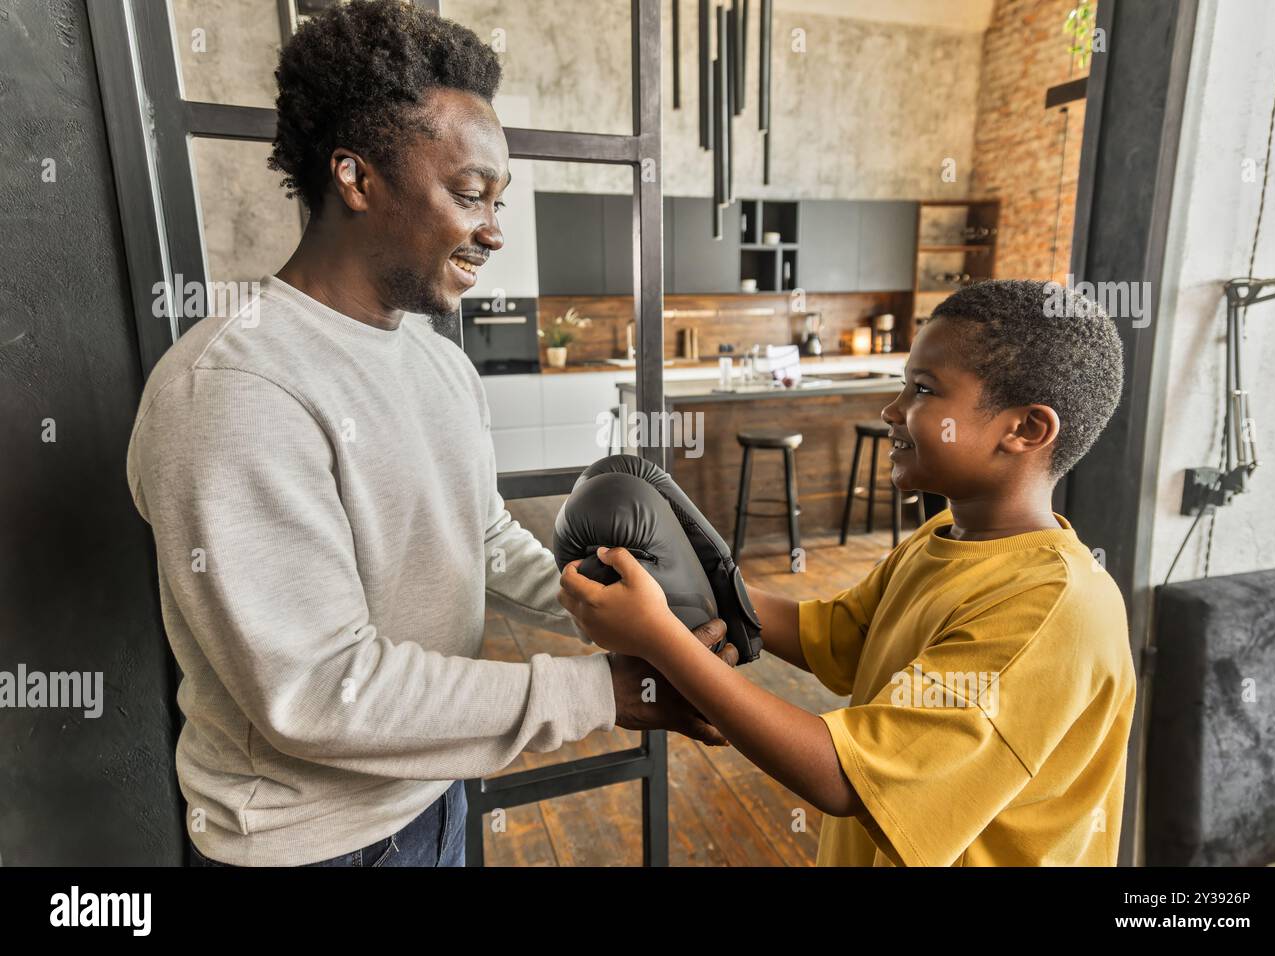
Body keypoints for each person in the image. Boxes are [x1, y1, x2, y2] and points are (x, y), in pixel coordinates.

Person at [126, 0, 732, 869]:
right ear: (357, 178)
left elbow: (477, 535)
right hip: (310, 845)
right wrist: (605, 690)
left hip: (435, 788)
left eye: (498, 199)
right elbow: (320, 691)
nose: (492, 230)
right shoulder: (233, 389)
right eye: (469, 193)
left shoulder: (435, 359)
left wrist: (621, 606)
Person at [560, 279, 1137, 866]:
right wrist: (692, 581)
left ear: (1026, 430)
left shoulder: (1047, 609)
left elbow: (845, 779)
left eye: (923, 390)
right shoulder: (945, 538)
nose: (891, 409)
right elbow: (839, 636)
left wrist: (659, 639)